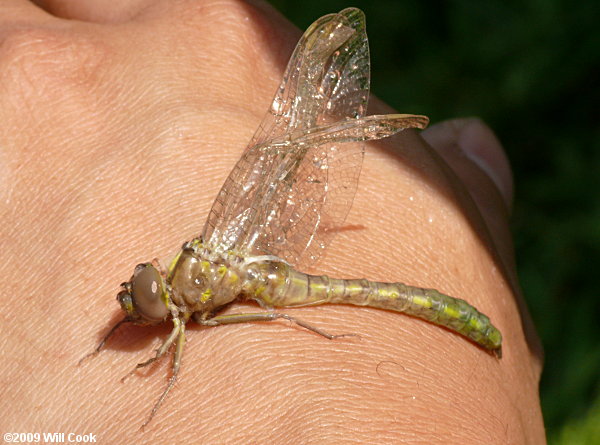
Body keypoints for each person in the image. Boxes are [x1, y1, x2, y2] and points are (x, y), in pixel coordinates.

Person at [0, 0, 545, 442]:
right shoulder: (191, 292)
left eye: (143, 290)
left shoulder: (187, 310)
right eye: (142, 292)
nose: (136, 295)